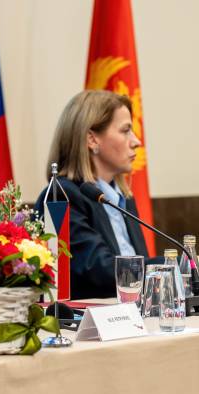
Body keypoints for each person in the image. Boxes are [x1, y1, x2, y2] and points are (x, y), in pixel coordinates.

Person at [35, 90, 147, 299]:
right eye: (125, 131)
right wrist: (168, 266)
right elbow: (100, 271)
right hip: (86, 317)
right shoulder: (62, 195)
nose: (136, 141)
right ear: (92, 139)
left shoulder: (123, 197)